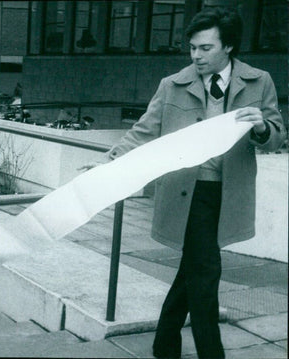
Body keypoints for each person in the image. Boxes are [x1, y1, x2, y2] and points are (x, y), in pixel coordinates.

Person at [87, 8, 285, 359]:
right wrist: (109, 163)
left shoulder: (260, 82)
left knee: (193, 270)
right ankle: (211, 353)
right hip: (185, 194)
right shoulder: (172, 85)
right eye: (192, 47)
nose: (196, 56)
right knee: (206, 272)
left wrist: (261, 128)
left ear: (229, 47)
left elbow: (276, 136)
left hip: (227, 194)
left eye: (205, 48)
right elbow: (144, 132)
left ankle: (165, 344)